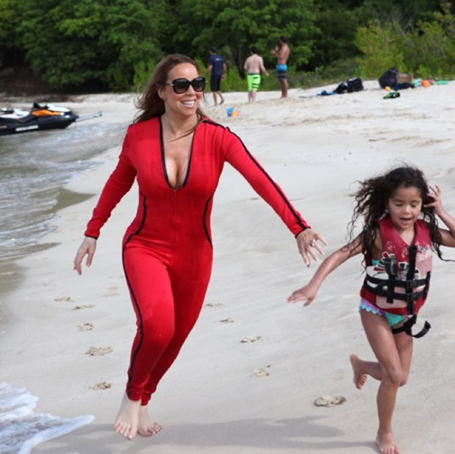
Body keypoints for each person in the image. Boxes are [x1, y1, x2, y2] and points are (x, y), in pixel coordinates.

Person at [74, 53, 327, 442]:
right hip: (144, 245)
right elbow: (116, 184)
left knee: (176, 337)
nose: (191, 92)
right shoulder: (138, 136)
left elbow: (261, 180)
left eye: (197, 84)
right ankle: (131, 395)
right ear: (162, 91)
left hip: (195, 254)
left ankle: (144, 399)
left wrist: (298, 227)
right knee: (157, 328)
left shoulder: (218, 138)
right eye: (181, 85)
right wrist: (93, 231)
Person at [288, 166, 455, 454]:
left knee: (400, 378)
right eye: (398, 203)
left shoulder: (427, 232)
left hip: (405, 315)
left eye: (414, 204)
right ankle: (383, 433)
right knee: (392, 374)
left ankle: (362, 366)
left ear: (421, 204)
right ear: (386, 203)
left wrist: (440, 211)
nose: (406, 211)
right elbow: (340, 254)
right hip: (375, 310)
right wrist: (314, 285)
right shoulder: (378, 233)